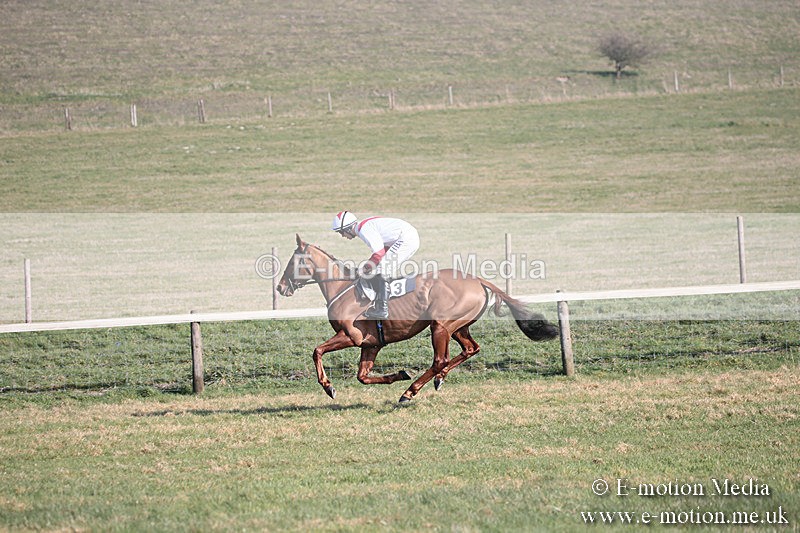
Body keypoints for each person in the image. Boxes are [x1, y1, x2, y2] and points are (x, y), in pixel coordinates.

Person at [331, 211, 420, 319]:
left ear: (347, 229)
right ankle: (381, 301)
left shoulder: (364, 230)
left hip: (406, 239)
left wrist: (364, 269)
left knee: (383, 268)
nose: (343, 236)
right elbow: (384, 249)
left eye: (341, 232)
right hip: (406, 237)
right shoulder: (363, 226)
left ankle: (382, 309)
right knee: (379, 267)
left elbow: (379, 253)